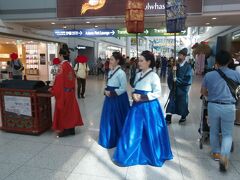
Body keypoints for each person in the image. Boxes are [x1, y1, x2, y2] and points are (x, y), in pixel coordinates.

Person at [113, 50, 173, 167]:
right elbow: (135, 88)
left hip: (149, 108)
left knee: (149, 131)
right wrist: (134, 94)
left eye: (141, 61)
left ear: (149, 62)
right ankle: (130, 153)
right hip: (136, 107)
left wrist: (142, 97)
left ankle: (149, 153)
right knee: (133, 130)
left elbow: (157, 93)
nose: (138, 63)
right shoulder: (139, 74)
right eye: (138, 61)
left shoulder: (154, 76)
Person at [201, 50, 240, 172]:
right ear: (229, 61)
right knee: (227, 134)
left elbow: (203, 92)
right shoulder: (236, 75)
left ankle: (216, 153)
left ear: (216, 61)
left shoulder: (209, 75)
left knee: (214, 130)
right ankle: (224, 156)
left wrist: (212, 95)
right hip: (229, 107)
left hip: (213, 106)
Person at [98, 51, 130, 149]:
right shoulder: (111, 71)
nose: (110, 61)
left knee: (116, 118)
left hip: (117, 98)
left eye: (112, 59)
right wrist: (105, 90)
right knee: (108, 117)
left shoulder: (121, 73)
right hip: (109, 97)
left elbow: (123, 88)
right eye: (110, 59)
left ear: (117, 61)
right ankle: (108, 137)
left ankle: (116, 138)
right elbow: (108, 84)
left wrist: (111, 93)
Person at [49, 49, 84, 137]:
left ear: (61, 55)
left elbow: (59, 81)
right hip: (71, 93)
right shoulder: (69, 65)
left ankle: (65, 130)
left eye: (59, 55)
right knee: (71, 111)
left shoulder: (61, 66)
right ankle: (71, 129)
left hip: (64, 93)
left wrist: (53, 90)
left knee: (64, 112)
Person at [166, 48, 193, 125]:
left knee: (182, 103)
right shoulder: (175, 65)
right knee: (171, 102)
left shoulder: (188, 67)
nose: (179, 57)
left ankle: (183, 116)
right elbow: (170, 77)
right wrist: (173, 73)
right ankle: (168, 117)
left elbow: (188, 79)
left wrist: (177, 80)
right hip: (174, 88)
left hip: (183, 89)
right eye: (178, 55)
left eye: (181, 55)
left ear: (184, 56)